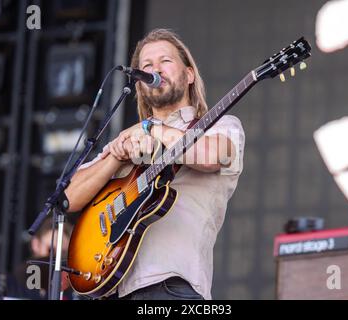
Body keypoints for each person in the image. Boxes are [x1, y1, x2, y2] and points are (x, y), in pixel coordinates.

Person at [65, 28, 245, 300]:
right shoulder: (129, 137)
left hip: (170, 286)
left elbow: (210, 157)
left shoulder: (220, 127)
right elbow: (68, 198)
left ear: (189, 74)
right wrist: (115, 157)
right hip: (109, 287)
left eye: (165, 61)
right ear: (138, 84)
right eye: (146, 66)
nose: (155, 69)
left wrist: (152, 129)